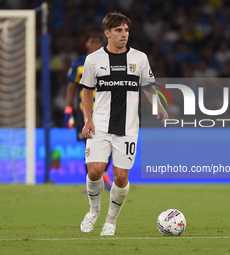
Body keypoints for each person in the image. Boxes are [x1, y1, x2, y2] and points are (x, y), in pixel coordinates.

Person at [79, 12, 168, 236]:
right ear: (107, 33)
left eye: (126, 30)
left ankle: (111, 220)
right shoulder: (93, 59)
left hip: (128, 127)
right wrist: (87, 119)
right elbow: (87, 93)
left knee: (120, 177)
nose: (124, 34)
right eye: (118, 30)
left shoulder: (139, 58)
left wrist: (158, 104)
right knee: (95, 172)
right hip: (100, 125)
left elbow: (148, 87)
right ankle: (93, 211)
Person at [64, 32, 112, 192]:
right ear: (87, 44)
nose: (96, 45)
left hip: (106, 110)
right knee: (88, 145)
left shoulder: (109, 61)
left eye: (99, 42)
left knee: (110, 143)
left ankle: (102, 173)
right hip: (84, 112)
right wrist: (68, 109)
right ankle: (91, 181)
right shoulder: (79, 64)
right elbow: (71, 87)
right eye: (92, 42)